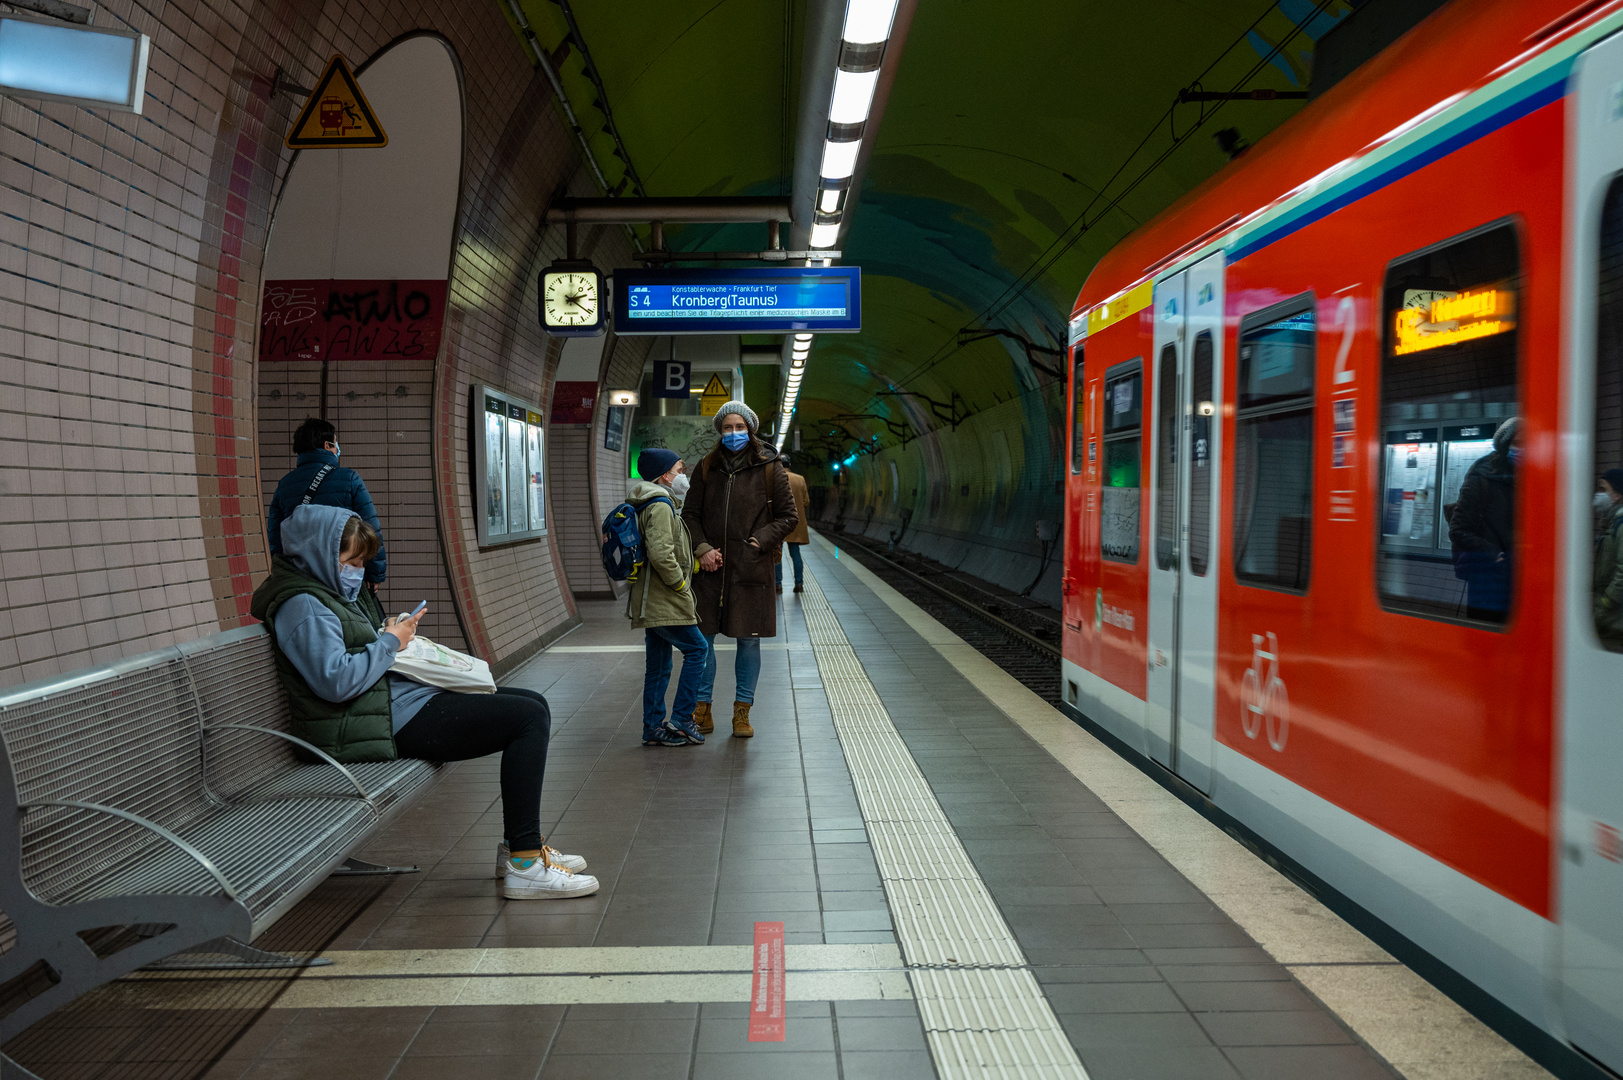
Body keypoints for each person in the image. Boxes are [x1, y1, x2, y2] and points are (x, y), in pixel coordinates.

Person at [249, 503, 596, 900]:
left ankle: (521, 848)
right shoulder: (303, 606)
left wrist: (391, 636)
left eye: (362, 562)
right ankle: (524, 863)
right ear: (317, 553)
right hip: (369, 724)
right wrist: (390, 642)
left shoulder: (324, 591)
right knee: (527, 718)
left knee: (533, 702)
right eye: (351, 560)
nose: (357, 570)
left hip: (381, 709)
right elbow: (337, 681)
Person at [683, 401, 798, 738]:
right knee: (704, 641)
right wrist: (702, 548)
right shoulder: (706, 467)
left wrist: (757, 543)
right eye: (727, 427)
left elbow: (788, 516)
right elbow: (689, 514)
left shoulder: (769, 467)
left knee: (748, 641)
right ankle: (702, 708)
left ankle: (742, 712)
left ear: (751, 429)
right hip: (711, 568)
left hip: (750, 568)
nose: (733, 433)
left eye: (739, 427)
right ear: (720, 431)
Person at [628, 447, 709, 747]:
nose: (683, 475)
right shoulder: (660, 505)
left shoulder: (645, 501)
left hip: (650, 598)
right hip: (663, 598)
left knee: (659, 665)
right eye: (679, 469)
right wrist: (681, 586)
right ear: (664, 474)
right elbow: (662, 554)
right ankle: (682, 718)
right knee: (697, 650)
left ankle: (653, 727)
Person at [267, 417, 388, 619]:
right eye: (336, 442)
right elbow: (370, 529)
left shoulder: (284, 486)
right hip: (343, 577)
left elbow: (276, 538)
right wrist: (374, 574)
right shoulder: (349, 479)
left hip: (304, 580)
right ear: (327, 445)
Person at [1449, 415, 1519, 623]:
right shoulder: (1482, 476)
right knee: (1488, 637)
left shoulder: (1530, 476)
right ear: (1506, 444)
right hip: (1489, 577)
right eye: (1519, 442)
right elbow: (1458, 529)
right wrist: (1494, 553)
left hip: (1519, 577)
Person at [1594, 467, 1623, 649]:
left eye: (1604, 490)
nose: (1599, 496)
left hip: (1614, 616)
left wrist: (1606, 602)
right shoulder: (1612, 522)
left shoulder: (1621, 525)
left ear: (1617, 495)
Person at [775, 455, 811, 595]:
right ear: (789, 464)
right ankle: (799, 583)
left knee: (777, 554)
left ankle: (778, 585)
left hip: (778, 523)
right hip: (795, 523)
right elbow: (806, 501)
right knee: (795, 554)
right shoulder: (800, 479)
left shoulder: (775, 478)